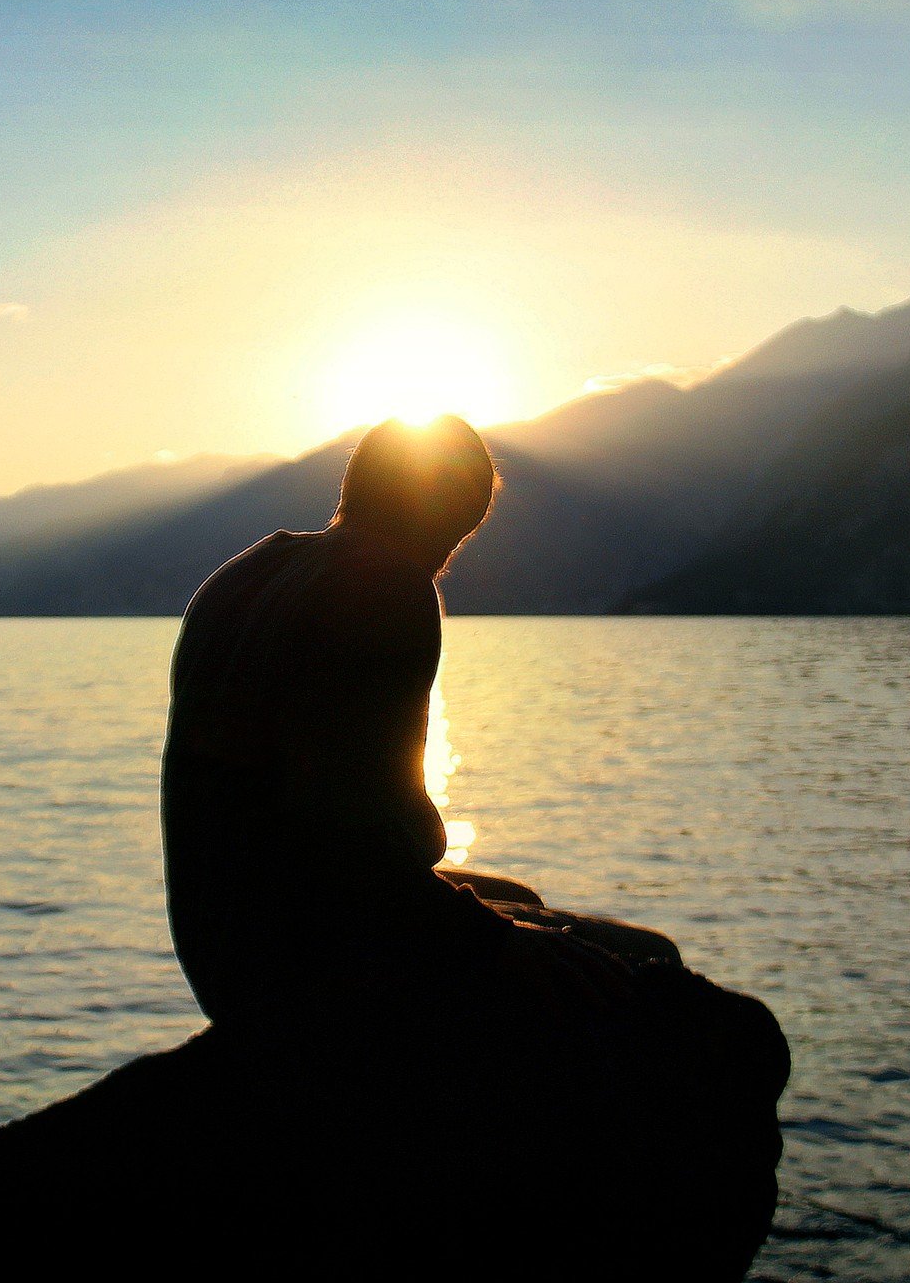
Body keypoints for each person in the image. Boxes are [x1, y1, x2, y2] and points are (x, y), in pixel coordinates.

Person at [160, 414, 629, 1032]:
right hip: (314, 963)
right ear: (442, 515)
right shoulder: (386, 586)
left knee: (523, 902)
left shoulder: (245, 573)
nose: (441, 562)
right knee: (636, 964)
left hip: (219, 949)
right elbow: (378, 843)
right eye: (454, 538)